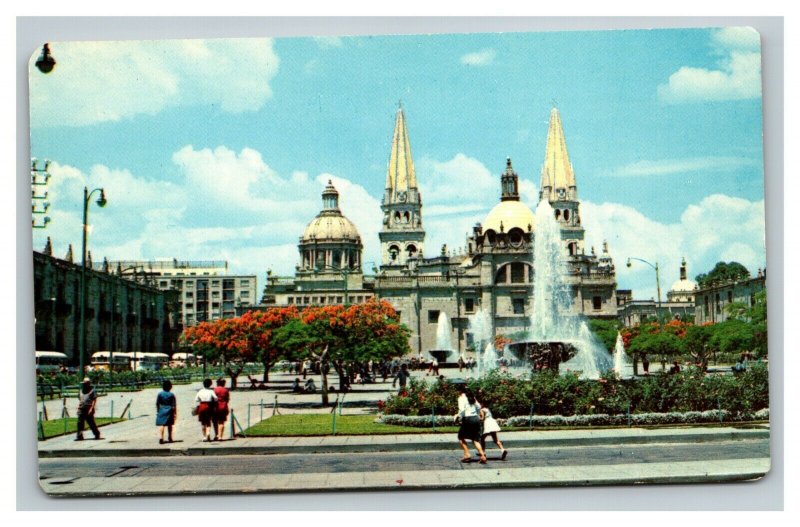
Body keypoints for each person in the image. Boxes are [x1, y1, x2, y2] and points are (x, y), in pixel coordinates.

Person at [455, 391, 487, 464]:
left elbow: (462, 410)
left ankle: (467, 454)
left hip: (467, 419)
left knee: (461, 437)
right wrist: (479, 414)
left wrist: (458, 417)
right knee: (475, 439)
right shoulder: (472, 397)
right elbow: (478, 407)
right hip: (476, 418)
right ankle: (482, 456)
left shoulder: (461, 398)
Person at [155, 379, 177, 444]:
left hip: (162, 409)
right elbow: (174, 405)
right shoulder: (171, 395)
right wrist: (175, 413)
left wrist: (158, 410)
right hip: (169, 410)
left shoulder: (160, 394)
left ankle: (161, 438)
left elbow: (157, 403)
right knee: (170, 425)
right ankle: (170, 437)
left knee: (162, 424)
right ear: (170, 387)